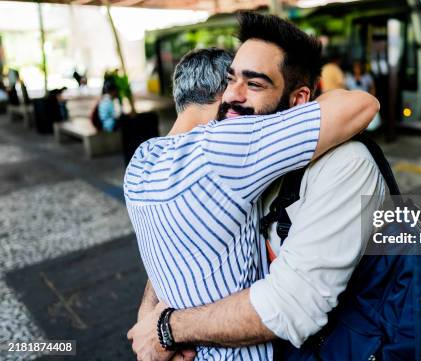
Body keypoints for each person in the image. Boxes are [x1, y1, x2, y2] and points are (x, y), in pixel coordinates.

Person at [125, 39, 379, 360]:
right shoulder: (227, 149)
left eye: (253, 83)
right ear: (219, 93)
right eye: (230, 81)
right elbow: (358, 103)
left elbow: (169, 242)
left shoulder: (142, 159)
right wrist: (160, 327)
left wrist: (159, 324)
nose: (234, 94)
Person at [345, 60, 381, 131]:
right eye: (356, 67)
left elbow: (372, 88)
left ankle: (366, 130)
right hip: (352, 101)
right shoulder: (349, 77)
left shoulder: (367, 76)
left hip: (364, 100)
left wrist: (372, 97)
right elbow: (346, 89)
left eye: (359, 67)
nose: (357, 68)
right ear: (353, 68)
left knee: (366, 117)